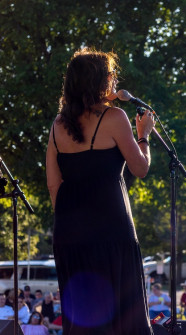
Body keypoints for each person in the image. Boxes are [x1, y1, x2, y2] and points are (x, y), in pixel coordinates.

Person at [46, 47, 155, 334]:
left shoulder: (57, 126)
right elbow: (140, 169)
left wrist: (72, 222)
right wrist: (143, 135)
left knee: (83, 319)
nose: (115, 79)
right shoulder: (115, 118)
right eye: (111, 74)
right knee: (122, 314)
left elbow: (53, 183)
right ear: (98, 81)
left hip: (69, 235)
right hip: (111, 230)